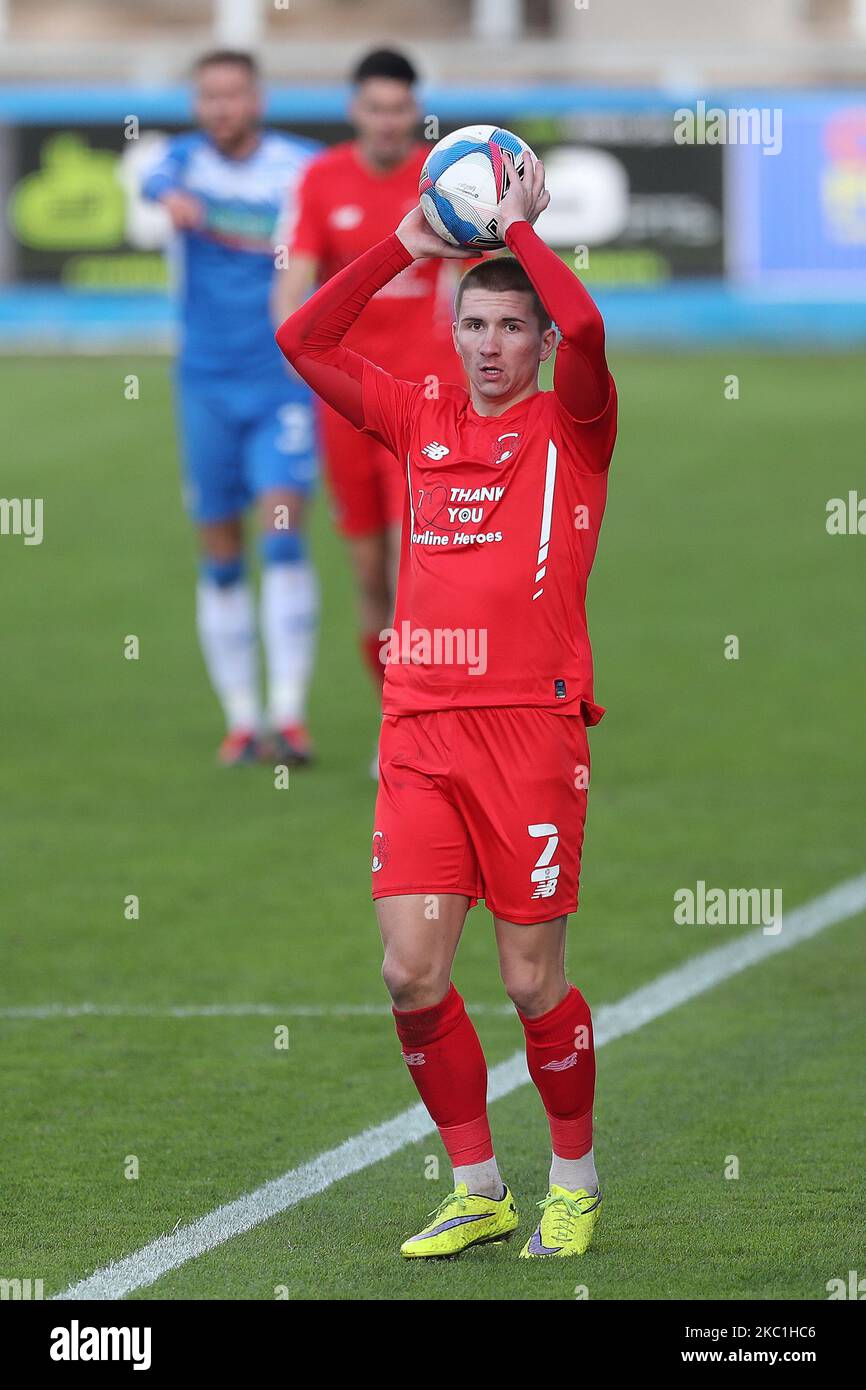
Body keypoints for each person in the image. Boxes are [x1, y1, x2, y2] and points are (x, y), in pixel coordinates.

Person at [276, 152, 617, 1259]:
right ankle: (477, 1183)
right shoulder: (412, 411)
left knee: (529, 977)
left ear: (537, 342)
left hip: (529, 728)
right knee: (409, 970)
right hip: (418, 726)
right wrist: (408, 247)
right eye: (474, 326)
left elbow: (591, 329)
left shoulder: (572, 424)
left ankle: (573, 1177)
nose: (489, 345)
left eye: (512, 328)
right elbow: (304, 342)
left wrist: (517, 234)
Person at [274, 49, 471, 771]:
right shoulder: (321, 181)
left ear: (414, 112)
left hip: (425, 406)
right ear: (355, 110)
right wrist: (299, 354)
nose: (389, 121)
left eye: (400, 108)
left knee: (415, 572)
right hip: (349, 406)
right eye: (376, 107)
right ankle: (392, 709)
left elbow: (489, 284)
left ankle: (417, 725)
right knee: (368, 573)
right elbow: (291, 289)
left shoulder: (446, 182)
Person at [142, 50, 319, 766]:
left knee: (281, 536)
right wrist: (170, 197)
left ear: (258, 98)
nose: (220, 108)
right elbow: (155, 176)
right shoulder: (179, 163)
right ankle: (242, 720)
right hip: (205, 385)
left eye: (232, 94)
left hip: (281, 384)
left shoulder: (302, 167)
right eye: (207, 96)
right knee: (220, 554)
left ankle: (289, 714)